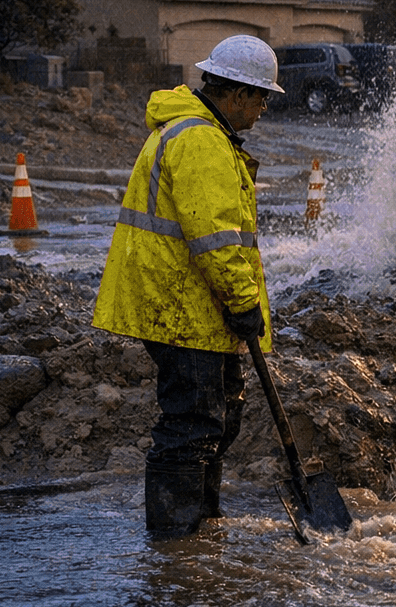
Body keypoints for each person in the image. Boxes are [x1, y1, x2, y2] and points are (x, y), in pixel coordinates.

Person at [93, 35, 283, 540]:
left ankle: (202, 524)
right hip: (183, 309)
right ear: (237, 94)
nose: (264, 108)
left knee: (217, 417)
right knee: (192, 425)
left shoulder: (197, 133)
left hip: (192, 306)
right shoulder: (200, 141)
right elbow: (215, 239)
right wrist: (244, 303)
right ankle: (176, 542)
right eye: (262, 97)